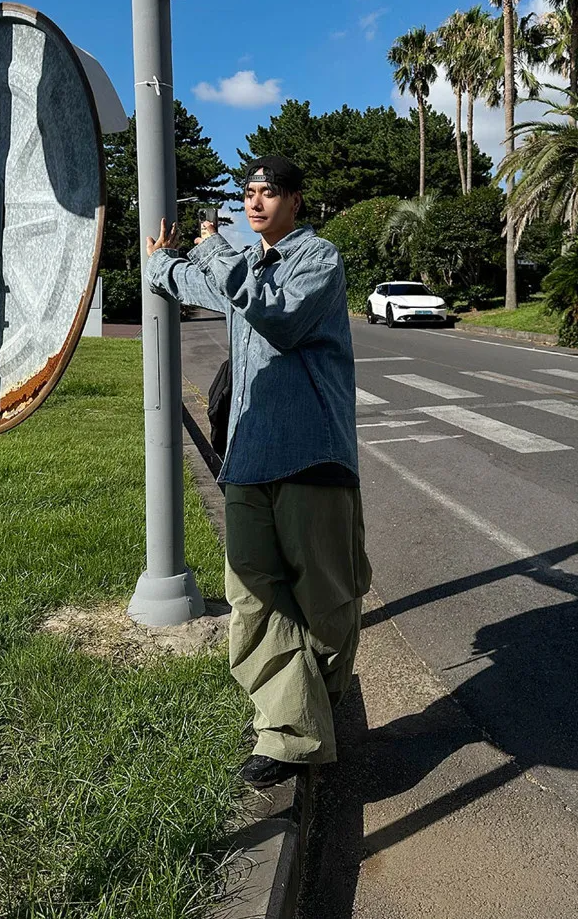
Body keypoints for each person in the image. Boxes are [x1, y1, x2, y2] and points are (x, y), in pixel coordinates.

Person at [145, 155, 372, 788]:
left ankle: (316, 709)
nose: (255, 202)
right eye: (248, 192)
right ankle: (287, 734)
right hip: (246, 458)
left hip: (311, 456)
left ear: (296, 201)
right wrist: (162, 262)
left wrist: (215, 249)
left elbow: (276, 312)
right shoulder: (242, 267)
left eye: (269, 192)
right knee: (253, 600)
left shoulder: (317, 260)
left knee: (326, 602)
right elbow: (194, 286)